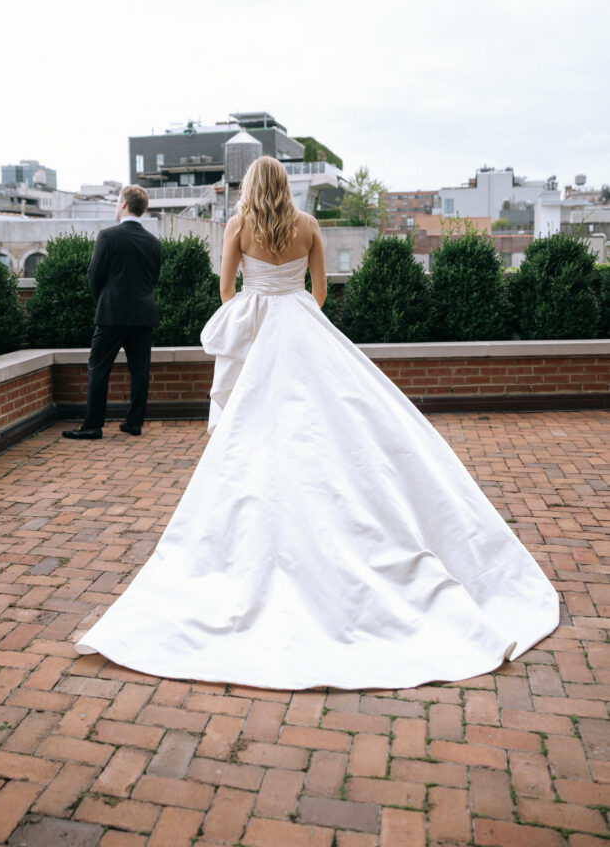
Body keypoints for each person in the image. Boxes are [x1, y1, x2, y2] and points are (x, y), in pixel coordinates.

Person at [75, 156, 558, 689]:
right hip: (302, 323)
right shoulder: (309, 226)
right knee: (331, 421)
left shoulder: (238, 225)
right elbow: (321, 292)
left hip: (260, 325)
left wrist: (254, 324)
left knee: (254, 433)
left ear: (252, 187)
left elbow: (226, 290)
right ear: (285, 185)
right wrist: (296, 313)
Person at [63, 184, 162, 441]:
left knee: (98, 368)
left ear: (123, 205)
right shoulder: (154, 243)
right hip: (143, 315)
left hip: (112, 315)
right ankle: (134, 423)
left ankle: (93, 426)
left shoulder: (107, 236)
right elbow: (153, 280)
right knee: (140, 370)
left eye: (118, 201)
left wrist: (104, 301)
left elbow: (94, 276)